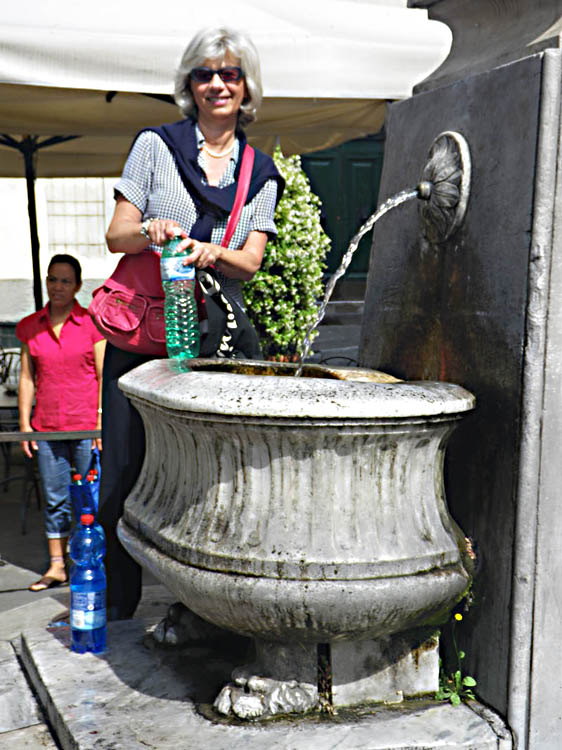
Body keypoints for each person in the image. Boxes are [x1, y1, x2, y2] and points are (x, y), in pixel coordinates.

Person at [100, 27, 284, 620]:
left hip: (213, 336)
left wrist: (210, 251)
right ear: (189, 86)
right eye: (205, 74)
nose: (217, 84)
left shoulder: (259, 170)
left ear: (246, 86)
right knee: (122, 476)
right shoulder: (154, 145)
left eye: (229, 74)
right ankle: (120, 602)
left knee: (211, 477)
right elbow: (115, 235)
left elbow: (250, 263)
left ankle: (202, 608)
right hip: (143, 331)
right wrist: (151, 231)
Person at [16, 254, 105, 591]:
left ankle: (88, 561)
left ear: (78, 286)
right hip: (47, 426)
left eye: (65, 281)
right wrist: (25, 424)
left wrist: (100, 424)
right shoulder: (29, 326)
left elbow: (101, 375)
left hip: (85, 427)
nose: (58, 286)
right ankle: (57, 566)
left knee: (88, 497)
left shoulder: (92, 324)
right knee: (55, 498)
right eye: (53, 279)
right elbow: (26, 379)